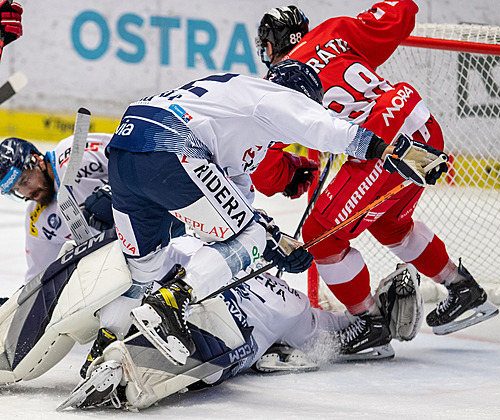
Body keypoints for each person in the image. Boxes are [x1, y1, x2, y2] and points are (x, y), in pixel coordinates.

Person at [102, 59, 447, 368]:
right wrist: (387, 149)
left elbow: (233, 205)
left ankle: (103, 351)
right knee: (245, 235)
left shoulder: (237, 116)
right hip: (172, 144)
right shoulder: (270, 95)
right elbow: (323, 127)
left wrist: (276, 244)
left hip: (124, 148)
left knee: (142, 272)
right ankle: (172, 302)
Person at [253, 1, 498, 339]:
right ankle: (461, 288)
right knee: (390, 225)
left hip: (382, 148)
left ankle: (370, 324)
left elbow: (263, 172)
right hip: (420, 124)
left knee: (318, 235)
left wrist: (290, 175)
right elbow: (400, 14)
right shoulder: (334, 32)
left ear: (269, 46)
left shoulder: (279, 84)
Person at [58, 234, 421, 411]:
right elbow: (332, 335)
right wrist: (378, 319)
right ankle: (125, 364)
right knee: (210, 351)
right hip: (226, 352)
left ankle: (116, 354)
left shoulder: (198, 248)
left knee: (184, 325)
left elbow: (143, 259)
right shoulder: (292, 304)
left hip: (199, 331)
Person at [0, 134, 115, 283]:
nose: (26, 192)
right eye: (16, 190)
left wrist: (115, 192)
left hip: (150, 228)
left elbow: (137, 156)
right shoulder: (37, 220)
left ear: (37, 160)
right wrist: (18, 304)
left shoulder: (73, 152)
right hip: (126, 265)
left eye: (24, 180)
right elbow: (39, 278)